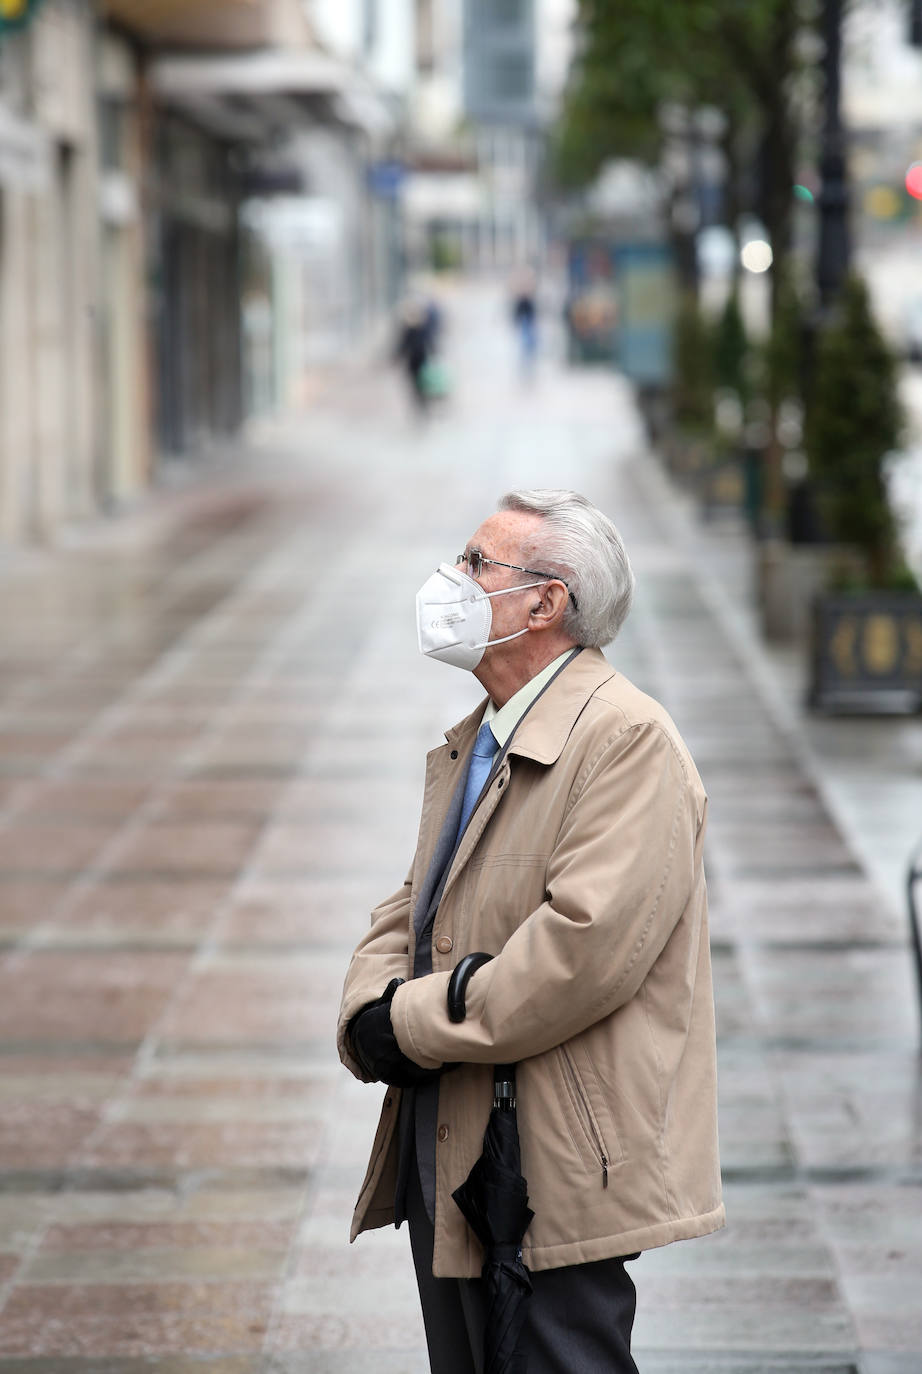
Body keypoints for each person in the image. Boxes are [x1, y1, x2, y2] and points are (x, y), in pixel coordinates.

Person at [337, 489, 724, 1373]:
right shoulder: (478, 737)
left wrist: (402, 1023)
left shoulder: (629, 741)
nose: (453, 580)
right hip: (451, 1133)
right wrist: (365, 1002)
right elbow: (410, 907)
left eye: (477, 563)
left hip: (547, 1166)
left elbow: (577, 956)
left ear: (546, 601)